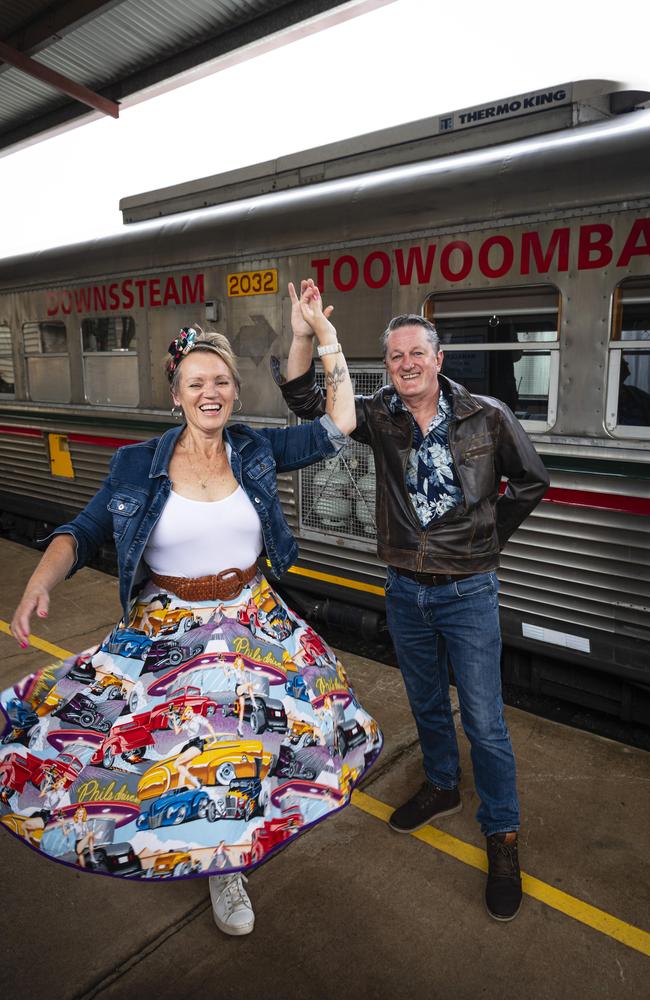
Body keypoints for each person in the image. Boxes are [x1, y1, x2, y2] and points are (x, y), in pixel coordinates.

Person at [3, 280, 382, 937]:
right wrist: (41, 581)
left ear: (235, 390)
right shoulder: (136, 465)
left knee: (256, 746)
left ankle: (224, 860)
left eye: (222, 383)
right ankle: (215, 863)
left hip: (251, 618)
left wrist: (321, 337)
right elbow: (81, 531)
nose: (211, 394)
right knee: (157, 753)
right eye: (197, 382)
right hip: (168, 626)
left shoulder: (256, 449)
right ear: (176, 393)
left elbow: (340, 425)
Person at [277, 307, 549, 922]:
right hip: (405, 588)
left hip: (469, 590)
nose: (405, 365)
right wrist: (306, 335)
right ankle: (443, 786)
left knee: (485, 721)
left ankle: (502, 836)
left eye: (415, 354)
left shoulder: (488, 416)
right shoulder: (378, 416)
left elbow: (530, 481)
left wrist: (487, 541)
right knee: (426, 702)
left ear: (438, 358)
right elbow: (303, 399)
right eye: (395, 357)